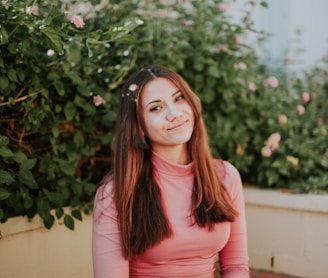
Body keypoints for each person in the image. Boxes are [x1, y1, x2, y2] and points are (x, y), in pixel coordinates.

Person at [92, 65, 249, 278]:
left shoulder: (225, 176)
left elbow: (236, 267)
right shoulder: (114, 193)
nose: (174, 114)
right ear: (139, 127)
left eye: (179, 99)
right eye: (156, 108)